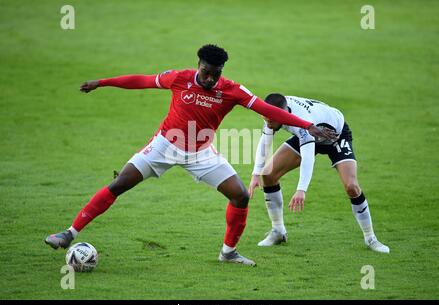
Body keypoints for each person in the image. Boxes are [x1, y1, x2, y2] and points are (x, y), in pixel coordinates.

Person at [45, 45, 337, 266]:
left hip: (200, 152)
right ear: (199, 65)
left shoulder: (232, 90)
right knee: (120, 183)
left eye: (215, 73)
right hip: (164, 146)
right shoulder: (180, 78)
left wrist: (307, 125)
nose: (210, 78)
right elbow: (142, 81)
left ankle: (228, 252)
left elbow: (266, 109)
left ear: (222, 70)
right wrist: (104, 82)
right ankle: (69, 233)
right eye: (206, 71)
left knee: (240, 196)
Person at [248, 93, 389, 253]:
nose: (268, 124)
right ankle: (278, 231)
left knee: (352, 187)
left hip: (335, 136)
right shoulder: (272, 112)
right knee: (268, 174)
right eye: (265, 120)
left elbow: (308, 156)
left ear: (284, 114)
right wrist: (255, 174)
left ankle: (371, 238)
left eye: (271, 120)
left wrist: (301, 189)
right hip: (311, 132)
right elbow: (265, 141)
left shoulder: (302, 121)